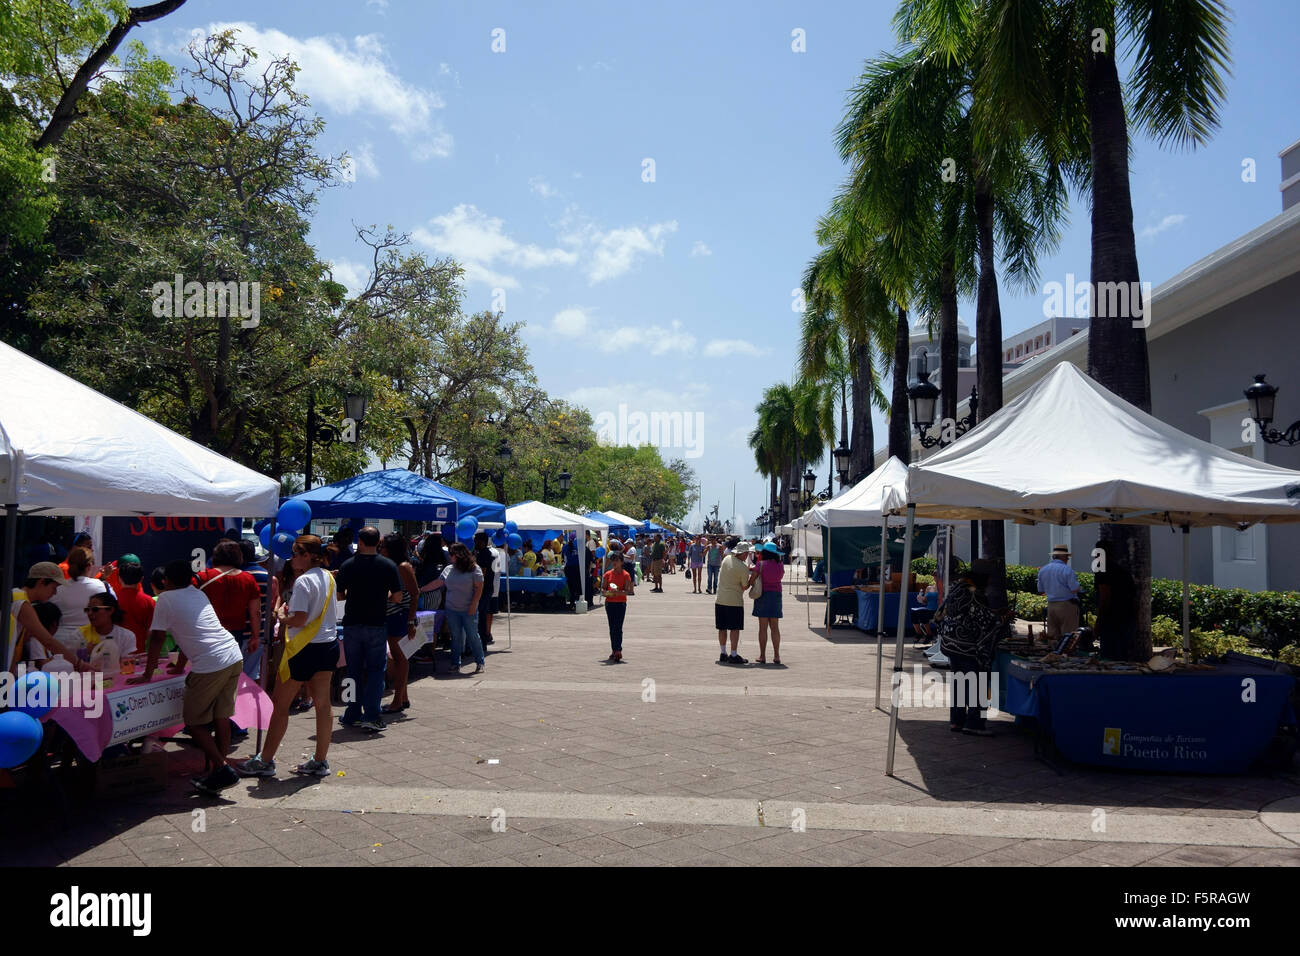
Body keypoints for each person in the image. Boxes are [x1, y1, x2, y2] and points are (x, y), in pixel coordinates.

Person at [132, 560, 245, 795]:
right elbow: (190, 633)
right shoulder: (197, 593)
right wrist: (180, 665)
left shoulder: (166, 599)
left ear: (166, 581)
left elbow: (157, 638)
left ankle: (222, 769)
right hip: (232, 654)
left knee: (193, 723)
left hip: (211, 663)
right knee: (221, 717)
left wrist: (147, 673)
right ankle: (217, 772)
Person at [236, 535, 340, 779]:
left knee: (280, 705)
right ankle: (320, 760)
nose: (291, 558)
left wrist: (282, 616)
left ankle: (266, 760)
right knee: (323, 705)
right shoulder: (329, 577)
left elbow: (300, 619)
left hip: (303, 648)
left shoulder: (304, 581)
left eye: (295, 553)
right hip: (328, 645)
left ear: (307, 555)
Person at [336, 526, 403, 732]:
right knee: (376, 671)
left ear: (360, 541)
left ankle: (352, 712)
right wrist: (385, 597)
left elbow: (340, 596)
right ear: (378, 543)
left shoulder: (348, 565)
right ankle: (372, 715)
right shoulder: (388, 565)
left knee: (353, 670)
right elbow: (398, 597)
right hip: (376, 622)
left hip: (352, 622)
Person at [936, 559, 1010, 736]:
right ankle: (974, 723)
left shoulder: (957, 587)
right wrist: (1003, 619)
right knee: (978, 684)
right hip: (967, 646)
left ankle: (957, 721)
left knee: (960, 682)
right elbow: (985, 622)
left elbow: (963, 613)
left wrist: (993, 614)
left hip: (951, 644)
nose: (991, 582)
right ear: (983, 577)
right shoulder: (974, 593)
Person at [196, 540, 262, 679]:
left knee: (207, 675)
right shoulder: (248, 579)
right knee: (231, 676)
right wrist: (255, 637)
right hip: (234, 635)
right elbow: (255, 612)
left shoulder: (203, 577)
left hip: (207, 633)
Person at [6, 562, 86, 670]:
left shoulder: (17, 597)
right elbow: (48, 641)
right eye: (54, 588)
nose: (55, 593)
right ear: (41, 582)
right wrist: (79, 664)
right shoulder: (21, 602)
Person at [421, 543, 485, 674]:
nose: (449, 557)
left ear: (459, 555)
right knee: (455, 637)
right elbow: (438, 583)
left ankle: (480, 661)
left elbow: (479, 588)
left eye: (452, 554)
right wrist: (421, 589)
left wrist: (473, 605)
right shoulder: (448, 569)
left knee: (473, 636)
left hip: (469, 609)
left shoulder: (474, 569)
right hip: (452, 609)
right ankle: (456, 663)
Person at [380, 533, 420, 714]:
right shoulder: (390, 565)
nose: (381, 549)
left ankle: (397, 700)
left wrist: (411, 620)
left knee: (399, 659)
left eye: (383, 547)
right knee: (398, 658)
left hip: (400, 616)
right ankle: (403, 698)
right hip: (392, 616)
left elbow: (415, 593)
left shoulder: (403, 566)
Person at [50, 546, 115, 658]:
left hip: (61, 644)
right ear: (89, 566)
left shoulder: (57, 590)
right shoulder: (102, 586)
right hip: (92, 643)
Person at [1093, 538, 1136, 659]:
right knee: (1122, 656)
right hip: (1127, 618)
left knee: (1109, 657)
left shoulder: (1102, 570)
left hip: (1112, 620)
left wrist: (1098, 624)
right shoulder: (1122, 571)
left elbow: (1104, 597)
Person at [714, 539, 754, 665]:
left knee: (722, 628)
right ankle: (733, 654)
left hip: (720, 599)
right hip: (734, 601)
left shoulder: (726, 559)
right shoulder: (743, 568)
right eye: (747, 553)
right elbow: (744, 587)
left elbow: (731, 570)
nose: (748, 555)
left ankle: (723, 652)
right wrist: (751, 580)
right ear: (743, 553)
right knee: (734, 629)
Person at [108, 554, 155, 653]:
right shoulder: (149, 601)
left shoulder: (112, 600)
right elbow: (151, 631)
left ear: (119, 578)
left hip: (114, 652)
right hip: (139, 651)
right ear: (141, 579)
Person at [1037, 544, 1080, 643]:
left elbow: (1040, 589)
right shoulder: (1067, 569)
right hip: (1067, 605)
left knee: (1052, 637)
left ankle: (1053, 656)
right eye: (1067, 557)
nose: (1068, 559)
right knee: (1068, 638)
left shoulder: (1043, 570)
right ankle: (1066, 657)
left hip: (1051, 606)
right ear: (1063, 556)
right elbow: (1074, 588)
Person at [80, 591, 137, 662]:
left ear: (110, 610)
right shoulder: (79, 635)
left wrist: (98, 654)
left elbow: (128, 664)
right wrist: (85, 653)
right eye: (87, 610)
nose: (90, 613)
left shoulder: (126, 636)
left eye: (95, 609)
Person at [753, 542, 785, 665]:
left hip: (763, 595)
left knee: (763, 628)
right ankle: (777, 655)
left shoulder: (760, 564)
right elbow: (780, 577)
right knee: (775, 628)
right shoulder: (780, 565)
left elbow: (753, 579)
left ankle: (762, 656)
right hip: (776, 596)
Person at [602, 545, 635, 662]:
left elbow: (628, 591)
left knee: (618, 627)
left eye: (616, 560)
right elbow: (603, 589)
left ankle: (618, 650)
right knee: (612, 627)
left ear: (621, 562)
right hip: (610, 603)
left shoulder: (626, 575)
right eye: (613, 560)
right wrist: (607, 593)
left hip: (620, 603)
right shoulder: (608, 574)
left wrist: (618, 592)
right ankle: (614, 650)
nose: (614, 563)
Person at [474, 531, 498, 647]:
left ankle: (482, 641)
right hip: (487, 587)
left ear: (481, 542)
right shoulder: (487, 553)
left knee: (481, 615)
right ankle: (482, 641)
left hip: (484, 588)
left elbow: (482, 572)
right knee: (481, 614)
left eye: (476, 540)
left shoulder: (484, 554)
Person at [563, 533, 582, 610]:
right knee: (577, 586)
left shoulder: (566, 547)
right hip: (577, 568)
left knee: (571, 586)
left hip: (569, 568)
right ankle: (577, 602)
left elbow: (564, 556)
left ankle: (571, 603)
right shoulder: (579, 546)